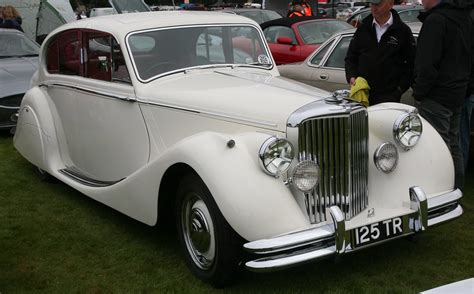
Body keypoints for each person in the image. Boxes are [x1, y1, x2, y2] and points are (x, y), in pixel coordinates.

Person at [413, 0, 471, 190]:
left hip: (437, 95)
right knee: (453, 144)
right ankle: (456, 188)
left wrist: (420, 92)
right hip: (456, 93)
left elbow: (427, 64)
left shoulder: (437, 20)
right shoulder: (462, 17)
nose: (422, 1)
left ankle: (440, 191)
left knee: (437, 146)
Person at [344, 0, 416, 106]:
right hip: (363, 94)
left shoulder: (403, 31)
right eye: (371, 4)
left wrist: (399, 90)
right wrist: (351, 76)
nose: (374, 8)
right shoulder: (363, 28)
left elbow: (412, 64)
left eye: (378, 4)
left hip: (389, 98)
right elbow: (351, 57)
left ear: (390, 4)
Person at [459, 10, 474, 172]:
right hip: (464, 87)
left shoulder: (466, 19)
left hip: (464, 89)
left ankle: (458, 177)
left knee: (460, 137)